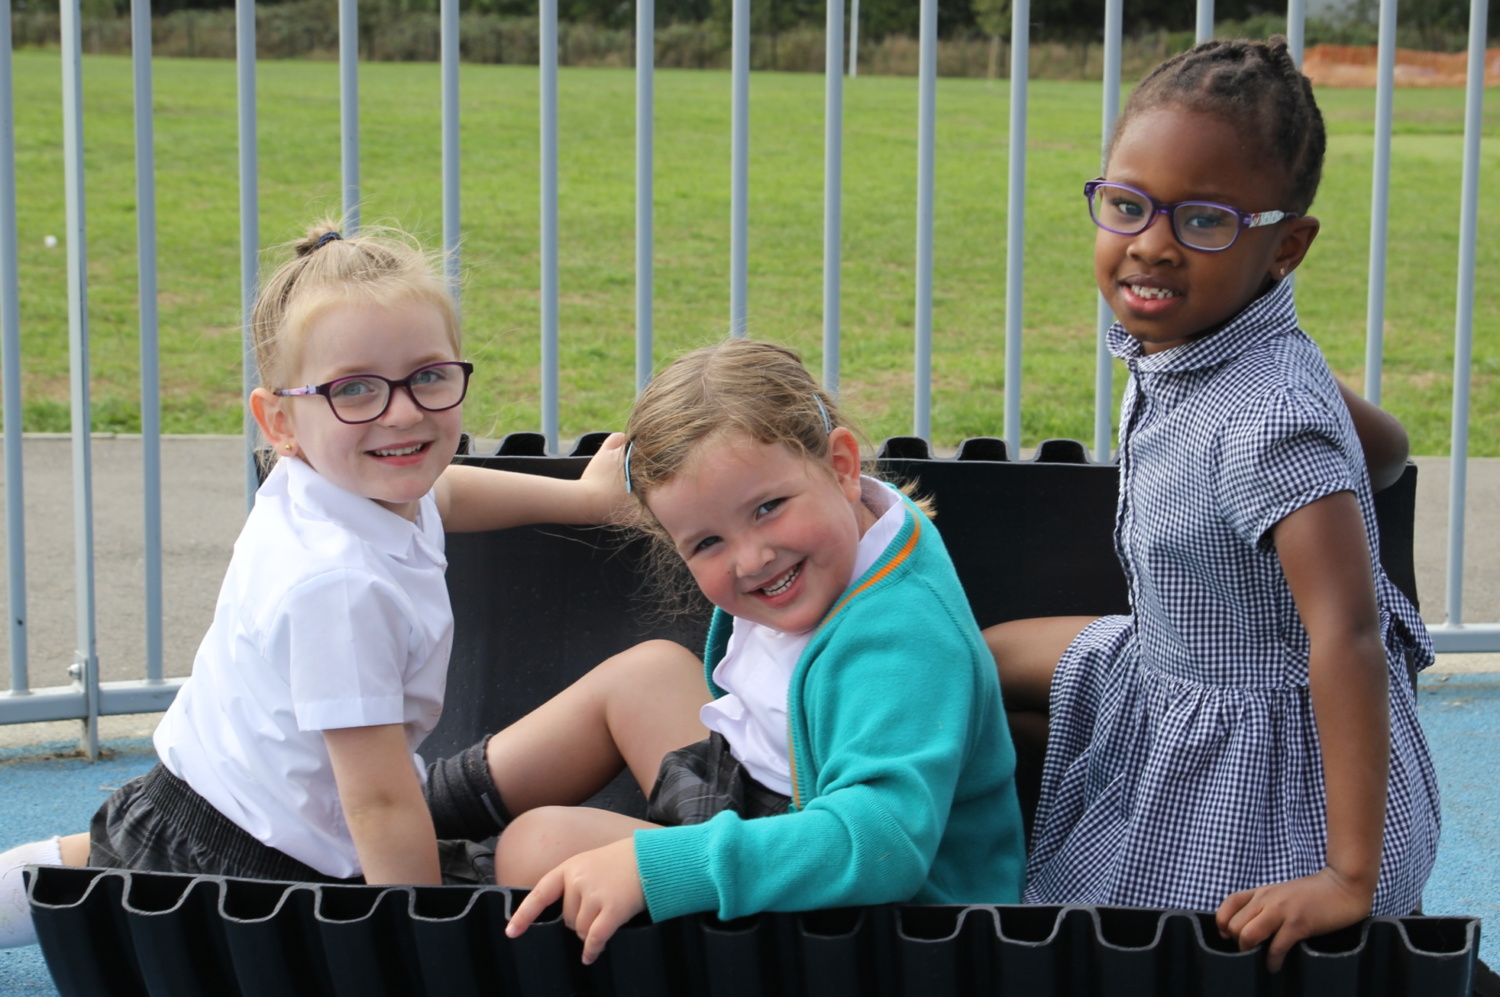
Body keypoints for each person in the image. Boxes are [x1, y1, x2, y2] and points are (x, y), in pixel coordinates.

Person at [0, 221, 626, 948]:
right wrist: (427, 949)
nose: (403, 409)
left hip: (201, 800)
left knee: (98, 864)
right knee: (111, 876)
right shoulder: (339, 586)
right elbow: (382, 802)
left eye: (428, 374)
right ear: (279, 421)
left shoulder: (352, 482)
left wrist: (584, 499)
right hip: (259, 863)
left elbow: (443, 496)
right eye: (353, 388)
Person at [985, 37, 1439, 972]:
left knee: (1137, 931)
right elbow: (1383, 446)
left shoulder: (1267, 425)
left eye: (1203, 221)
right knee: (968, 665)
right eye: (1127, 205)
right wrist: (1373, 449)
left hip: (1262, 748)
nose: (1151, 242)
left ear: (1285, 247)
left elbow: (1346, 635)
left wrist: (1349, 877)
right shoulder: (1206, 338)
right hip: (1172, 663)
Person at [423, 339, 1026, 965]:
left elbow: (883, 844)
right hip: (774, 798)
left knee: (537, 846)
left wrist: (659, 867)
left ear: (842, 465)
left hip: (886, 912)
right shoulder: (849, 523)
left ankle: (444, 886)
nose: (751, 558)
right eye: (707, 541)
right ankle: (411, 816)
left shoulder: (899, 639)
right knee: (649, 673)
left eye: (768, 509)